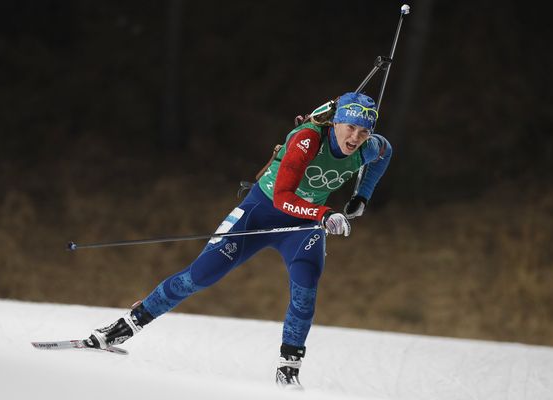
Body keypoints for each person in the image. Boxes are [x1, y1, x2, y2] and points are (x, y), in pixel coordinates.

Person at [83, 92, 392, 389]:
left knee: (305, 290)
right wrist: (324, 214)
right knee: (200, 276)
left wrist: (362, 197)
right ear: (337, 122)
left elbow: (385, 151)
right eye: (350, 127)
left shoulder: (368, 147)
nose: (355, 138)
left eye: (363, 132)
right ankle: (124, 327)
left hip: (304, 225)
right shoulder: (308, 139)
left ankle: (288, 369)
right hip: (260, 212)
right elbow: (283, 197)